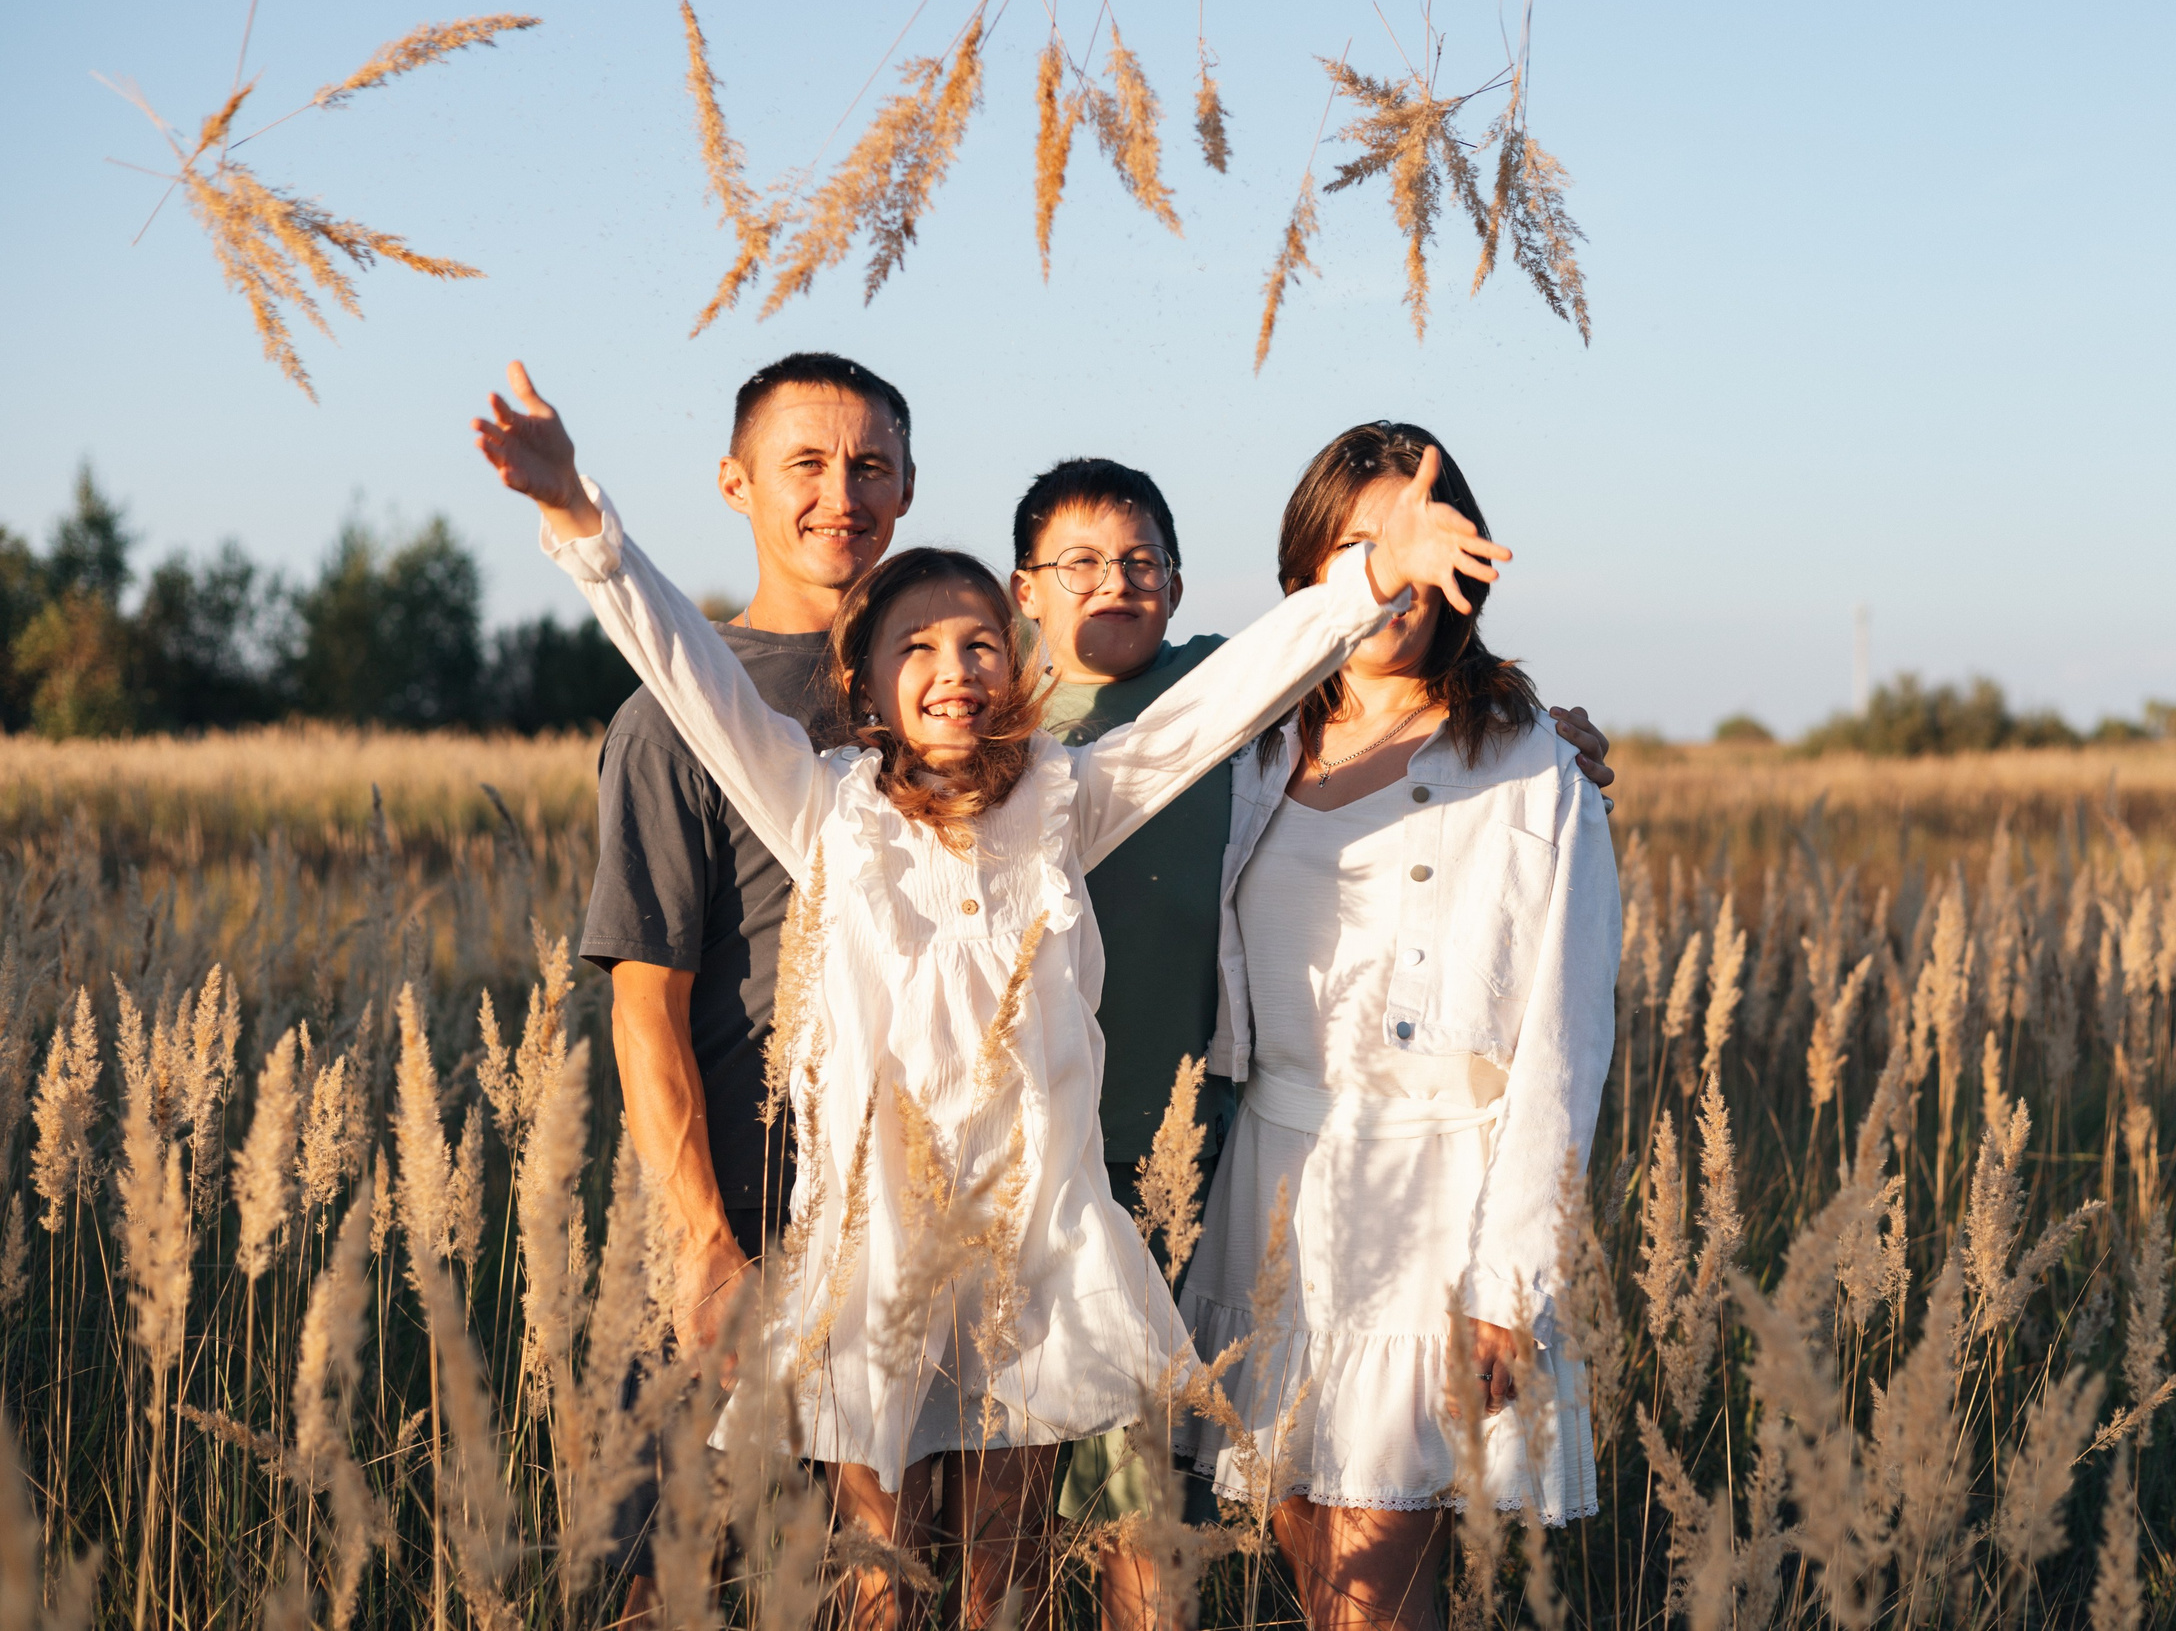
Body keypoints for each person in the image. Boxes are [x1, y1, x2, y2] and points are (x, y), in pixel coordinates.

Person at [473, 363, 1514, 1626]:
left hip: (1038, 1255)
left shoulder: (1064, 801)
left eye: (977, 643)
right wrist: (579, 517)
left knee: (1000, 1583)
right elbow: (689, 671)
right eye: (916, 649)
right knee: (879, 1577)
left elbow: (1218, 702)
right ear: (866, 687)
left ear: (1013, 667)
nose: (953, 669)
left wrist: (1371, 578)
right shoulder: (822, 812)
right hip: (872, 1257)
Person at [1008, 459, 1616, 1631]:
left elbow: (1564, 1045)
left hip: (1434, 1201)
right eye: (1364, 549)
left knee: (1374, 1588)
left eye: (1425, 545)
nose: (1399, 578)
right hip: (1271, 1187)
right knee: (1313, 1566)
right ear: (1309, 577)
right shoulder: (1250, 741)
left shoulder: (1533, 764)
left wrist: (1508, 1285)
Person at [569, 350, 912, 1623]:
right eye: (805, 464)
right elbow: (645, 1005)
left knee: (874, 1593)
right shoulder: (675, 712)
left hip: (906, 1238)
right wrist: (706, 1245)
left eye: (869, 466)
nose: (841, 495)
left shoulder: (944, 695)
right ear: (737, 483)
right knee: (677, 1590)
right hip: (740, 1223)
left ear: (907, 487)